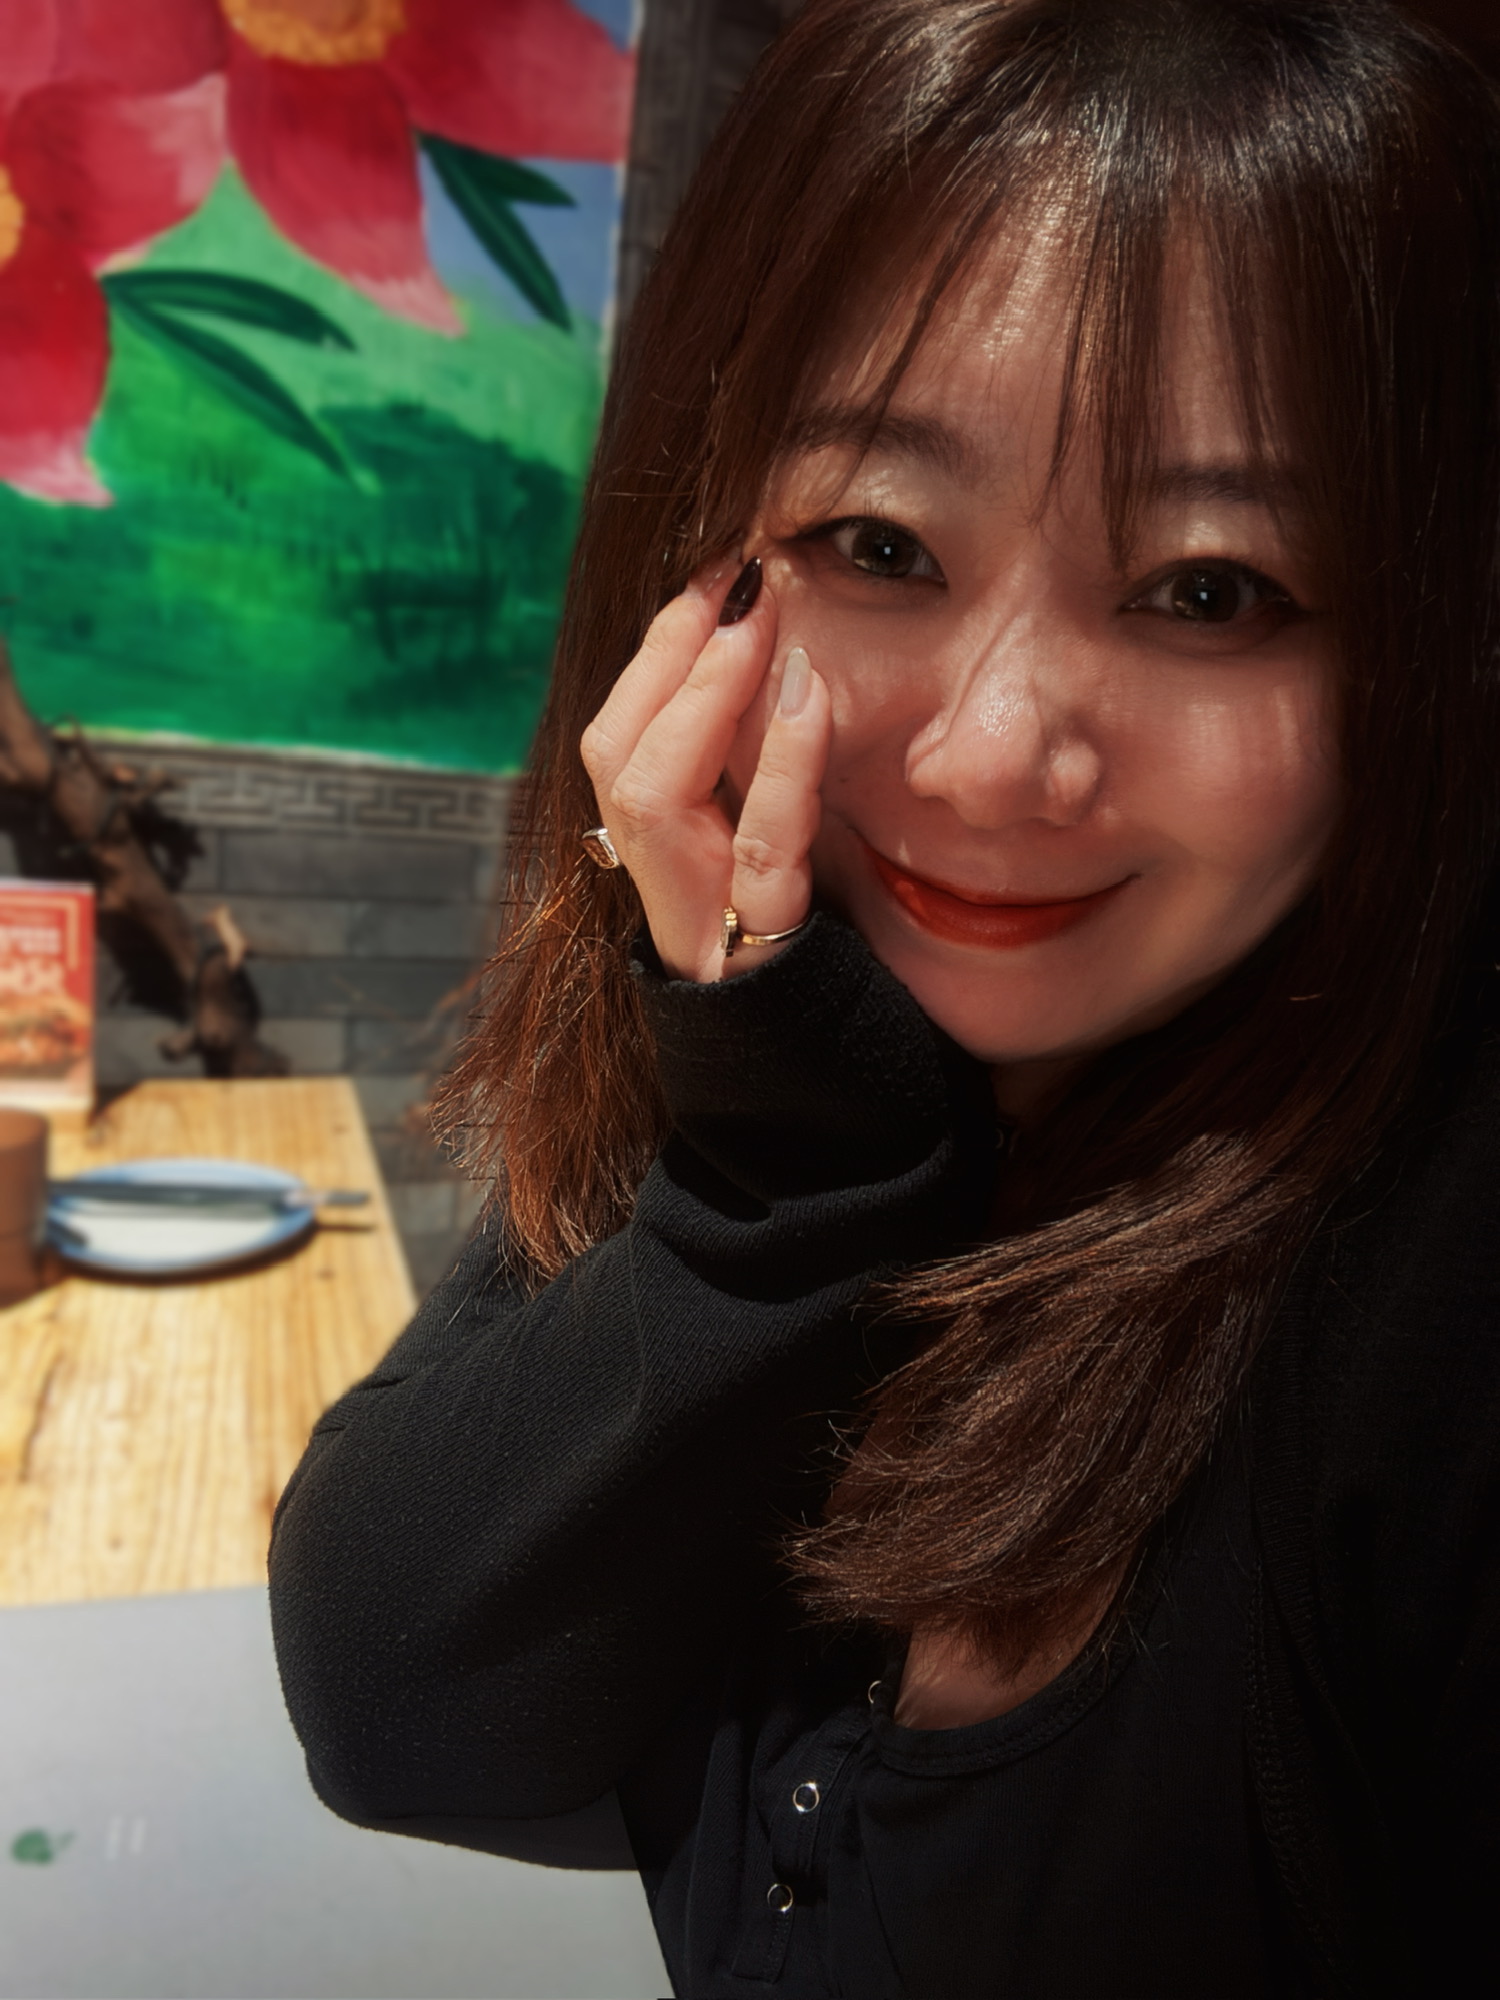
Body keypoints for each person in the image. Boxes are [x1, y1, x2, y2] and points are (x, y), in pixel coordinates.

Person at [268, 2, 1500, 1993]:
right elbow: (402, 1688)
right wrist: (791, 1161)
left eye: (1211, 588)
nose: (999, 758)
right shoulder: (778, 1012)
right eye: (879, 543)